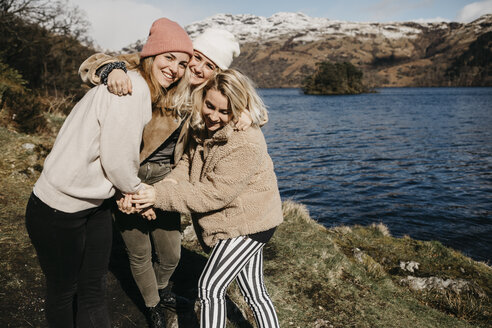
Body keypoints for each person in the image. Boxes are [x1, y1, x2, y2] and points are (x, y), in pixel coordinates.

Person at [25, 17, 193, 328]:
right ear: (152, 55)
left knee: (92, 289)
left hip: (94, 205)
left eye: (183, 63)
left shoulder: (139, 86)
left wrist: (124, 191)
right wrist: (137, 192)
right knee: (65, 291)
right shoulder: (132, 90)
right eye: (169, 57)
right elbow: (117, 160)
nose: (176, 68)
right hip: (58, 207)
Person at [77, 28, 249, 322]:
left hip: (167, 178)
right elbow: (93, 63)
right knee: (139, 250)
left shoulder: (202, 95)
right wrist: (112, 69)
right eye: (196, 58)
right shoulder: (162, 72)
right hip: (128, 173)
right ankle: (153, 305)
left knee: (171, 253)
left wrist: (243, 112)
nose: (198, 67)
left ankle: (159, 289)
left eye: (209, 65)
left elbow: (228, 103)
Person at [127, 69, 283, 328]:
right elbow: (188, 162)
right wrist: (169, 182)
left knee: (210, 288)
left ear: (239, 109)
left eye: (225, 112)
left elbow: (213, 194)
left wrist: (158, 195)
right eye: (210, 106)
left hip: (249, 223)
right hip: (236, 219)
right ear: (203, 98)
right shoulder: (204, 128)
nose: (214, 116)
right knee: (255, 293)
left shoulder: (246, 142)